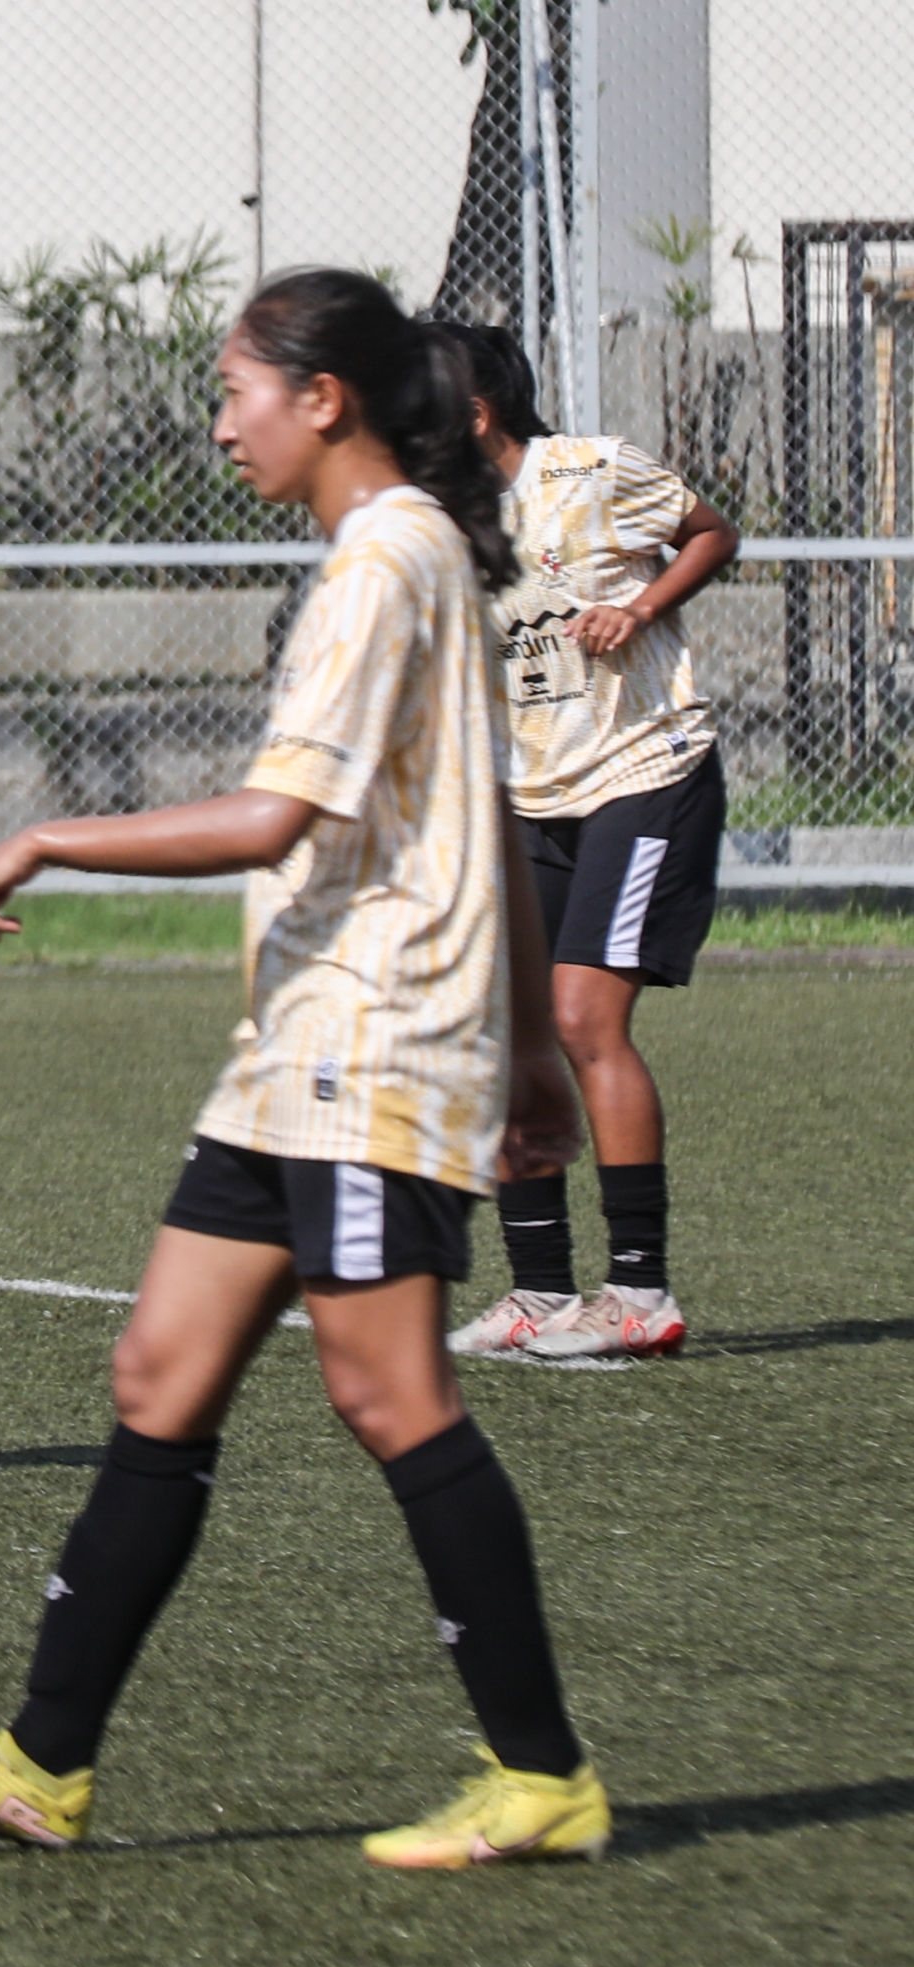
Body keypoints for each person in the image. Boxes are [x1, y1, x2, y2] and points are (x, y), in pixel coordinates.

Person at [0, 271, 609, 1868]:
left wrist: (47, 835)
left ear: (321, 397)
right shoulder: (397, 557)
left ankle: (541, 1775)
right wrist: (535, 1053)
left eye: (234, 388)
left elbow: (273, 820)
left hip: (369, 1045)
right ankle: (39, 1767)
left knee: (392, 1396)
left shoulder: (387, 560)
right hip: (300, 1050)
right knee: (157, 1378)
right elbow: (489, 828)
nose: (218, 420)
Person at [445, 323, 739, 1360]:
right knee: (516, 1034)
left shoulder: (594, 470)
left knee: (583, 1016)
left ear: (474, 412)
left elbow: (712, 530)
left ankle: (640, 1290)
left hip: (643, 773)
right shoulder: (442, 519)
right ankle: (537, 1295)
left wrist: (642, 603)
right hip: (532, 794)